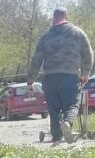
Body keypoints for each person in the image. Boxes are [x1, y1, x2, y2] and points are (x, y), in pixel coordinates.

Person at [27, 8, 94, 144]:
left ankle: (57, 137)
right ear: (66, 16)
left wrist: (30, 82)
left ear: (53, 18)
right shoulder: (77, 33)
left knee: (53, 109)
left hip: (50, 78)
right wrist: (86, 73)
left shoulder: (45, 36)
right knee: (72, 105)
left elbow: (36, 60)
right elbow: (88, 54)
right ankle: (68, 122)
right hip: (70, 77)